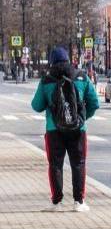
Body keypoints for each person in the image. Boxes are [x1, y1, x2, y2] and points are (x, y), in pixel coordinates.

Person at [31, 46, 99, 212]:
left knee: (55, 165)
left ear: (52, 62)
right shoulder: (81, 77)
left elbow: (36, 106)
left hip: (54, 130)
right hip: (78, 130)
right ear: (69, 61)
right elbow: (94, 103)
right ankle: (79, 202)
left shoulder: (47, 80)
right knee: (79, 164)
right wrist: (81, 119)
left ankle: (56, 202)